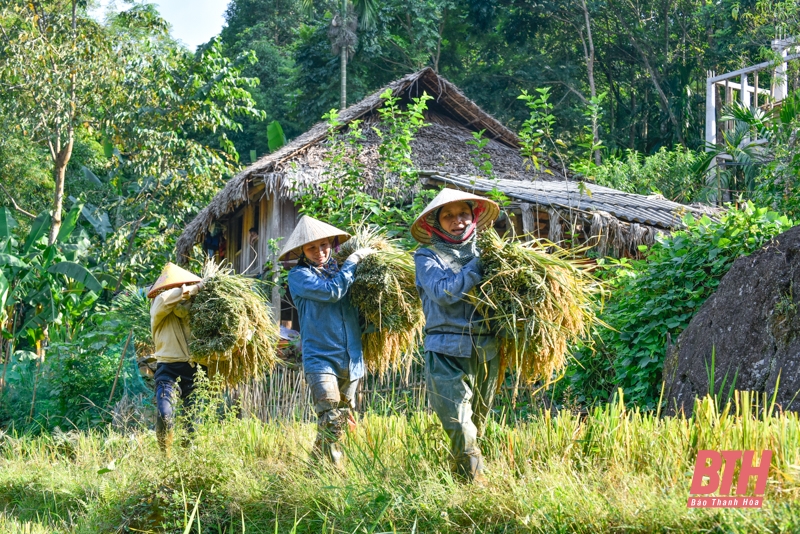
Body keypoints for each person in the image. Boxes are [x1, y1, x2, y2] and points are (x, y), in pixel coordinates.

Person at [411, 188, 500, 484]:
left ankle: (463, 482)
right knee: (460, 426)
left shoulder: (491, 254)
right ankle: (476, 489)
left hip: (485, 348)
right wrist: (475, 267)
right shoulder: (427, 257)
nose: (457, 221)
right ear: (435, 224)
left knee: (478, 424)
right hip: (446, 348)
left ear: (473, 217)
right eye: (448, 216)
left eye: (463, 213)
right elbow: (443, 292)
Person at [279, 215, 374, 469]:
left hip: (352, 357)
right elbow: (332, 292)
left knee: (338, 421)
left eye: (324, 245)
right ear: (301, 250)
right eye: (312, 247)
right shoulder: (299, 276)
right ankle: (337, 472)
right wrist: (354, 261)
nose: (320, 252)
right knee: (330, 415)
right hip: (320, 357)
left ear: (332, 243)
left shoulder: (344, 272)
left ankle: (314, 470)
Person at [147, 262, 206, 455]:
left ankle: (188, 461)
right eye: (178, 287)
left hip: (197, 371)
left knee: (193, 426)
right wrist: (194, 288)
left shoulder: (196, 311)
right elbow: (166, 299)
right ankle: (166, 457)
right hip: (169, 371)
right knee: (165, 415)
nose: (182, 291)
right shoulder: (159, 306)